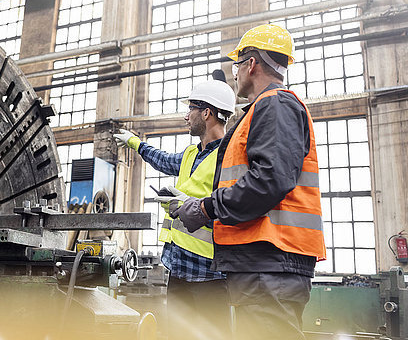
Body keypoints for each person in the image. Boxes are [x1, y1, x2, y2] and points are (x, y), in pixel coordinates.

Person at [171, 24, 326, 340]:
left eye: (237, 64)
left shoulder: (277, 104)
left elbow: (268, 180)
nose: (235, 72)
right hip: (262, 262)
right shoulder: (261, 110)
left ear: (251, 64)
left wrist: (204, 208)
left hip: (272, 260)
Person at [113, 77, 236, 340]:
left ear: (207, 113)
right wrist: (135, 143)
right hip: (178, 269)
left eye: (190, 108)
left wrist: (190, 208)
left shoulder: (230, 157)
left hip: (211, 275)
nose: (185, 116)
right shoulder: (191, 154)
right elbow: (163, 160)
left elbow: (235, 209)